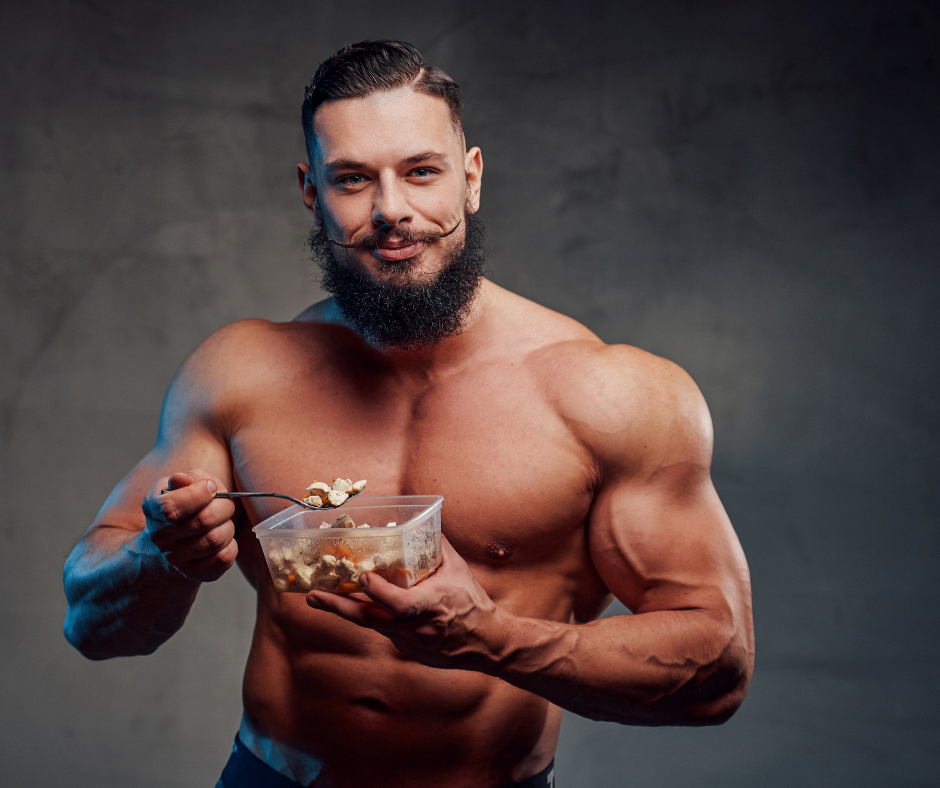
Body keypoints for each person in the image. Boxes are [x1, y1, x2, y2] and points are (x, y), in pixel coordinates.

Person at [63, 40, 754, 788]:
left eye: (421, 172)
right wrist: (160, 559)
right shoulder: (239, 373)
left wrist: (491, 639)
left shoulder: (609, 395)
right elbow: (92, 626)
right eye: (353, 179)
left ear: (472, 178)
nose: (391, 210)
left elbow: (718, 669)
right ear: (311, 191)